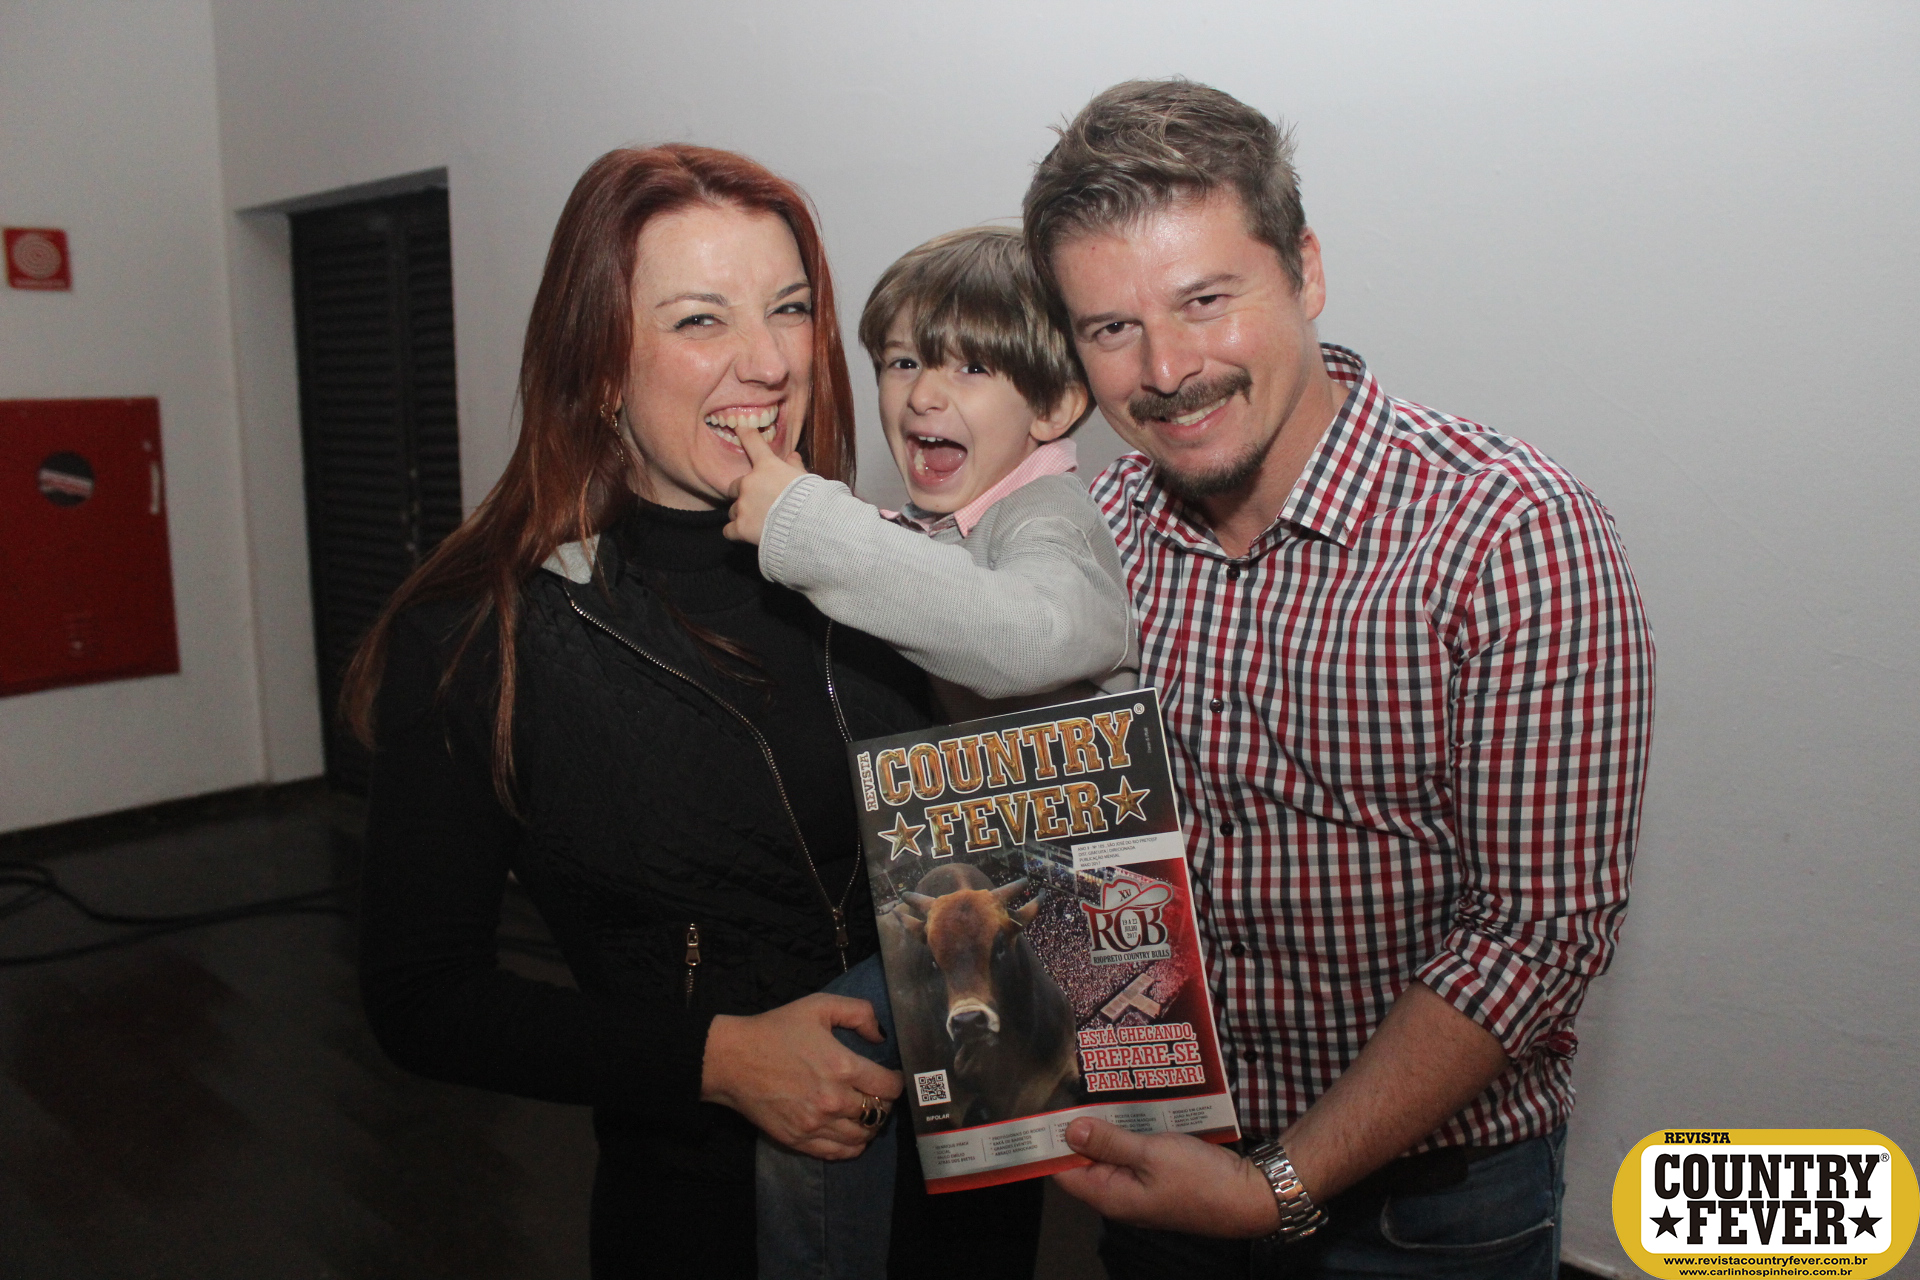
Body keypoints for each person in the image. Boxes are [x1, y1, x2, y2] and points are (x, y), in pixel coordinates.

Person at [345, 144, 1039, 1279]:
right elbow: (422, 999)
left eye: (789, 309)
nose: (768, 362)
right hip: (714, 1215)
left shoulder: (898, 574)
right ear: (599, 367)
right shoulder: (484, 640)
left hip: (974, 1193)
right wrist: (717, 1058)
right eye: (701, 320)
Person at [1020, 81, 1657, 1278]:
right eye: (1111, 328)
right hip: (1161, 1176)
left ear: (1305, 271)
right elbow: (1057, 852)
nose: (1167, 367)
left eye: (1206, 300)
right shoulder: (1080, 544)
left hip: (1431, 1214)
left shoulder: (1511, 532)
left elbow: (1535, 933)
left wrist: (1275, 1186)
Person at [722, 223, 1135, 1277]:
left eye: (971, 367)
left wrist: (811, 526)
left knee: (828, 1071)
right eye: (902, 361)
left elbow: (1035, 634)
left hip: (1063, 912)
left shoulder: (1045, 514)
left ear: (1055, 404)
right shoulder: (945, 520)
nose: (921, 395)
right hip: (975, 891)